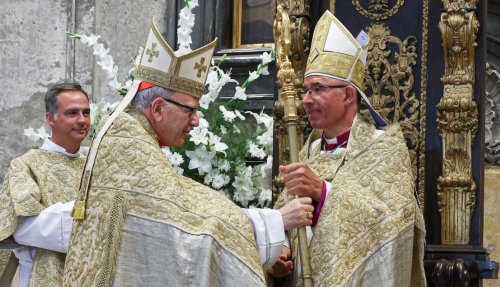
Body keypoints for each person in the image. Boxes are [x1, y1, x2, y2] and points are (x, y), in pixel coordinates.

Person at [62, 19, 313, 286]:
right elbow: (188, 217)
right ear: (158, 108)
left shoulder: (135, 135)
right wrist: (274, 221)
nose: (196, 121)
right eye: (190, 110)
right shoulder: (127, 141)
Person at [272, 11, 426, 286]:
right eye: (306, 90)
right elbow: (288, 216)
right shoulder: (309, 151)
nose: (306, 100)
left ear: (347, 94)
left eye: (317, 89)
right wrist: (280, 250)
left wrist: (322, 190)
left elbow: (392, 222)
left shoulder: (385, 147)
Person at [0, 83, 90, 287]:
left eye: (86, 112)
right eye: (72, 113)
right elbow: (22, 228)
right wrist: (90, 211)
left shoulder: (95, 165)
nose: (82, 120)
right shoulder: (26, 165)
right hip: (41, 275)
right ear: (50, 118)